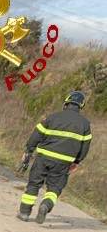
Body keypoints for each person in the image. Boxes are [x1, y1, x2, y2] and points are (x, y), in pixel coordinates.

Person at [17, 90, 92, 224]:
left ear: (66, 103)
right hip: (64, 162)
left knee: (34, 184)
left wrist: (28, 151)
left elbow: (36, 135)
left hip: (44, 157)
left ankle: (24, 213)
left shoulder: (52, 117)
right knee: (54, 188)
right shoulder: (85, 124)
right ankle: (46, 204)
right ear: (81, 105)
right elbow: (85, 146)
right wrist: (77, 162)